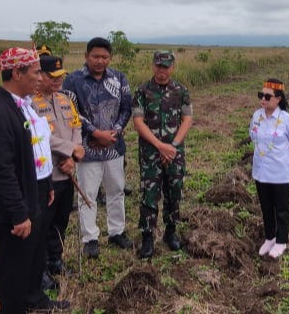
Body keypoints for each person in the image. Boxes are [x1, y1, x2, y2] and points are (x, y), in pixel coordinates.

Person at [0, 47, 69, 313]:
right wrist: (19, 214)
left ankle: (34, 298)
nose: (40, 78)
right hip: (14, 202)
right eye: (35, 72)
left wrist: (47, 185)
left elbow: (38, 149)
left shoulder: (25, 105)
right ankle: (8, 306)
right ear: (16, 73)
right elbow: (1, 171)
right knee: (13, 263)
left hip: (36, 189)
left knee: (34, 254)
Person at [62, 37, 133, 258]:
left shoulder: (119, 78)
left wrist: (115, 131)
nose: (100, 61)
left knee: (116, 190)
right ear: (86, 56)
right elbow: (71, 111)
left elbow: (126, 107)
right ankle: (90, 238)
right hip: (87, 149)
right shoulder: (72, 81)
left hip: (113, 146)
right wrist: (94, 133)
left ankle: (116, 231)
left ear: (110, 58)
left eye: (104, 57)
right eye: (95, 56)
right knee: (88, 194)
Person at [132, 51, 193, 259]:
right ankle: (148, 237)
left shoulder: (181, 91)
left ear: (172, 67)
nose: (162, 71)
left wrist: (173, 146)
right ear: (153, 66)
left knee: (174, 191)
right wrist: (160, 146)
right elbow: (138, 122)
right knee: (149, 194)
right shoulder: (142, 91)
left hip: (175, 152)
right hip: (151, 152)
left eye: (166, 67)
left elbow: (187, 119)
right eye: (159, 66)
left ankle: (170, 232)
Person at [32, 50, 84, 280]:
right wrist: (69, 149)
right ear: (39, 75)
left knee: (61, 220)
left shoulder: (64, 99)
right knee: (43, 222)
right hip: (47, 174)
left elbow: (76, 126)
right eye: (52, 75)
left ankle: (55, 260)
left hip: (67, 170)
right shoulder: (30, 104)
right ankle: (40, 268)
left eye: (60, 75)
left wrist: (74, 155)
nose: (57, 79)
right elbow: (40, 135)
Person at [249, 78, 289, 259]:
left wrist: (284, 158)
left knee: (281, 209)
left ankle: (281, 241)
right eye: (261, 95)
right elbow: (253, 136)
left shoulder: (286, 120)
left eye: (267, 96)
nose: (263, 99)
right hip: (261, 171)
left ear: (278, 98)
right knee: (266, 207)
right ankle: (270, 237)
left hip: (279, 173)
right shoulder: (257, 116)